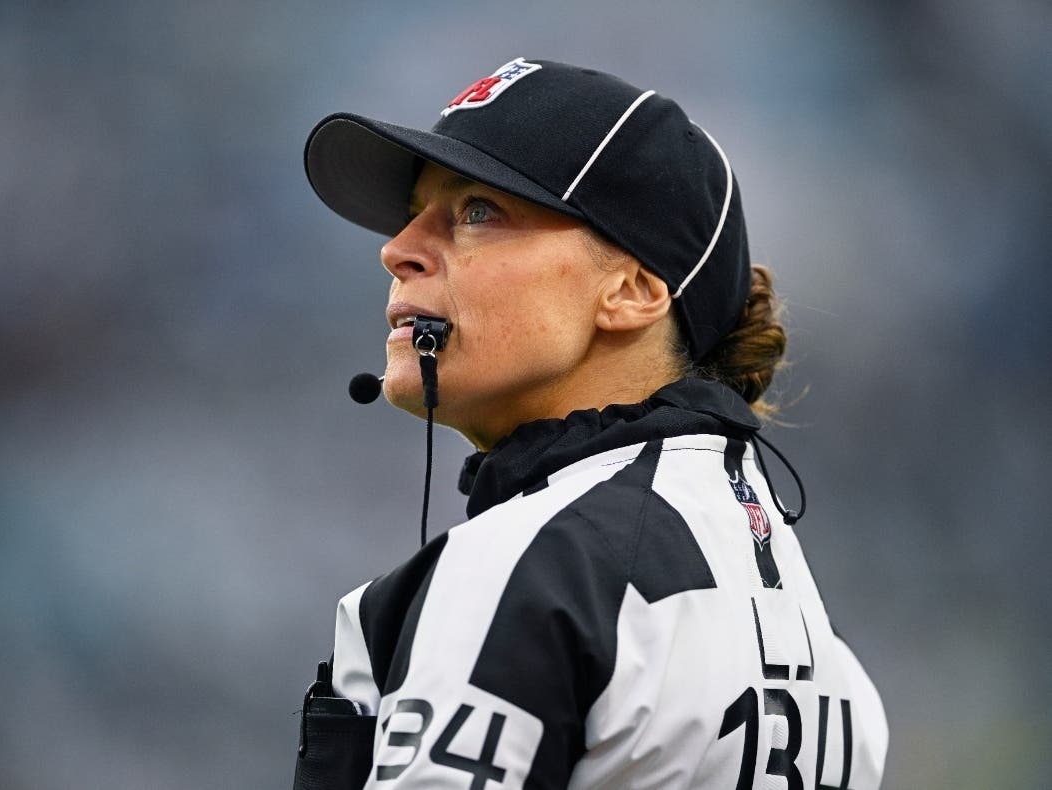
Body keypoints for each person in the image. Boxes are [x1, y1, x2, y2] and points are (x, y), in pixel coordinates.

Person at [293, 57, 888, 789]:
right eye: (414, 214)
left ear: (633, 292)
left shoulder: (523, 571)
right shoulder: (821, 641)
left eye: (477, 211)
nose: (397, 249)